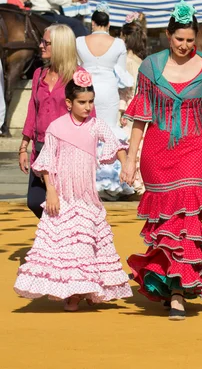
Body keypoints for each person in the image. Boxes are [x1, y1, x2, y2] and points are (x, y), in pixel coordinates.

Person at [121, 1, 202, 321]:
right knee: (165, 226)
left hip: (193, 151)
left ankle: (178, 292)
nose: (185, 45)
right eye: (180, 39)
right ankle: (167, 282)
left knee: (183, 223)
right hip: (155, 151)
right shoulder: (149, 66)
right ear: (168, 35)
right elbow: (140, 118)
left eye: (190, 40)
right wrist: (129, 160)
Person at [14, 72, 132, 311]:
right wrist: (51, 192)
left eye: (91, 102)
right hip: (63, 196)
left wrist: (124, 164)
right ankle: (73, 291)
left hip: (87, 197)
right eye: (82, 102)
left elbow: (116, 144)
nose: (88, 107)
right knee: (65, 246)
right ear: (69, 103)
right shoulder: (55, 128)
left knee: (85, 244)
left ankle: (81, 290)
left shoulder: (96, 125)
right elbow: (46, 163)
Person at [19, 24, 92, 218]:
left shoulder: (79, 75)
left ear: (60, 45)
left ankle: (60, 243)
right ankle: (56, 239)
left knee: (64, 205)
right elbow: (32, 111)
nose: (41, 46)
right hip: (41, 150)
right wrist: (24, 146)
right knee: (35, 201)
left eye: (46, 42)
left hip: (67, 152)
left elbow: (89, 114)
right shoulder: (38, 74)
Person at [77, 2, 134, 200]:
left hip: (85, 90)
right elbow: (121, 73)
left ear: (93, 23)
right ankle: (109, 182)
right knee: (109, 131)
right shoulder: (118, 44)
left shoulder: (79, 41)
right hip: (109, 90)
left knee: (86, 131)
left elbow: (75, 70)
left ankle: (86, 180)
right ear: (108, 24)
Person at [119, 12, 148, 196]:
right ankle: (139, 180)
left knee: (127, 144)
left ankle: (130, 181)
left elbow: (125, 89)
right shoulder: (142, 62)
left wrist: (121, 110)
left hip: (128, 106)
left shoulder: (126, 62)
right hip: (139, 106)